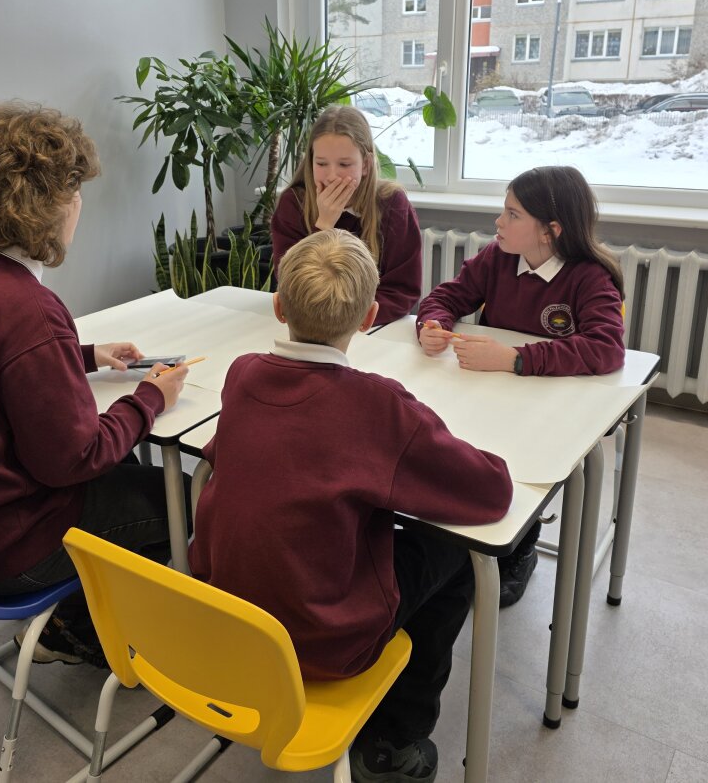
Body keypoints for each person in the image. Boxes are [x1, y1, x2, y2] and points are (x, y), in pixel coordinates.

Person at [189, 229, 513, 783]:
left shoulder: (242, 373)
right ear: (369, 317)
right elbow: (490, 492)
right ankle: (395, 740)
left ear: (278, 307)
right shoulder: (377, 404)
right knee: (458, 554)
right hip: (324, 643)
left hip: (228, 624)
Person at [0, 101, 188, 666]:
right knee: (184, 500)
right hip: (10, 545)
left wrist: (82, 355)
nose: (79, 203)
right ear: (48, 204)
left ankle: (88, 612)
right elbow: (75, 459)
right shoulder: (25, 309)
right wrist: (150, 398)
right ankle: (78, 632)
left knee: (129, 467)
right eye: (74, 189)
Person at [416, 165, 625, 607]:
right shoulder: (498, 257)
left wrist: (515, 358)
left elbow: (607, 348)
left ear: (550, 231)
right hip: (494, 392)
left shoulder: (589, 276)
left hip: (551, 404)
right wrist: (431, 324)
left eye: (512, 214)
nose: (499, 222)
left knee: (521, 457)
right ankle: (467, 531)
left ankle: (521, 545)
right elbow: (446, 297)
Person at [270, 105, 422, 324]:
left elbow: (402, 291)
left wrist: (346, 320)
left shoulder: (393, 204)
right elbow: (292, 286)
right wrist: (324, 226)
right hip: (312, 326)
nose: (332, 175)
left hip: (369, 325)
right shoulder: (293, 203)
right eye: (321, 163)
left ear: (365, 165)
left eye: (344, 164)